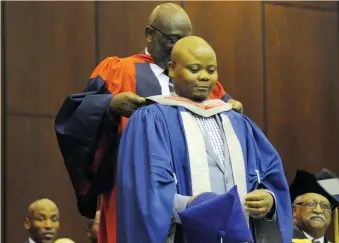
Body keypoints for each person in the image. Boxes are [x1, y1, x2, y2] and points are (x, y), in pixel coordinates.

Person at [54, 3, 243, 243]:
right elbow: (74, 118)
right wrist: (110, 105)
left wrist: (235, 111)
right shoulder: (119, 70)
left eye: (186, 41)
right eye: (172, 40)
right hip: (137, 189)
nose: (179, 49)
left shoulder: (204, 81)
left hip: (194, 186)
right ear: (149, 34)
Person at [116, 36, 292, 243]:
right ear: (172, 69)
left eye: (211, 70)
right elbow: (145, 192)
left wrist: (269, 200)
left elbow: (269, 175)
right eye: (194, 69)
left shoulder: (238, 122)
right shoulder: (152, 120)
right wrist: (194, 205)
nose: (204, 77)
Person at [290, 169, 339, 243]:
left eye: (325, 206)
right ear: (294, 210)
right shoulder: (279, 240)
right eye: (310, 204)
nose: (318, 210)